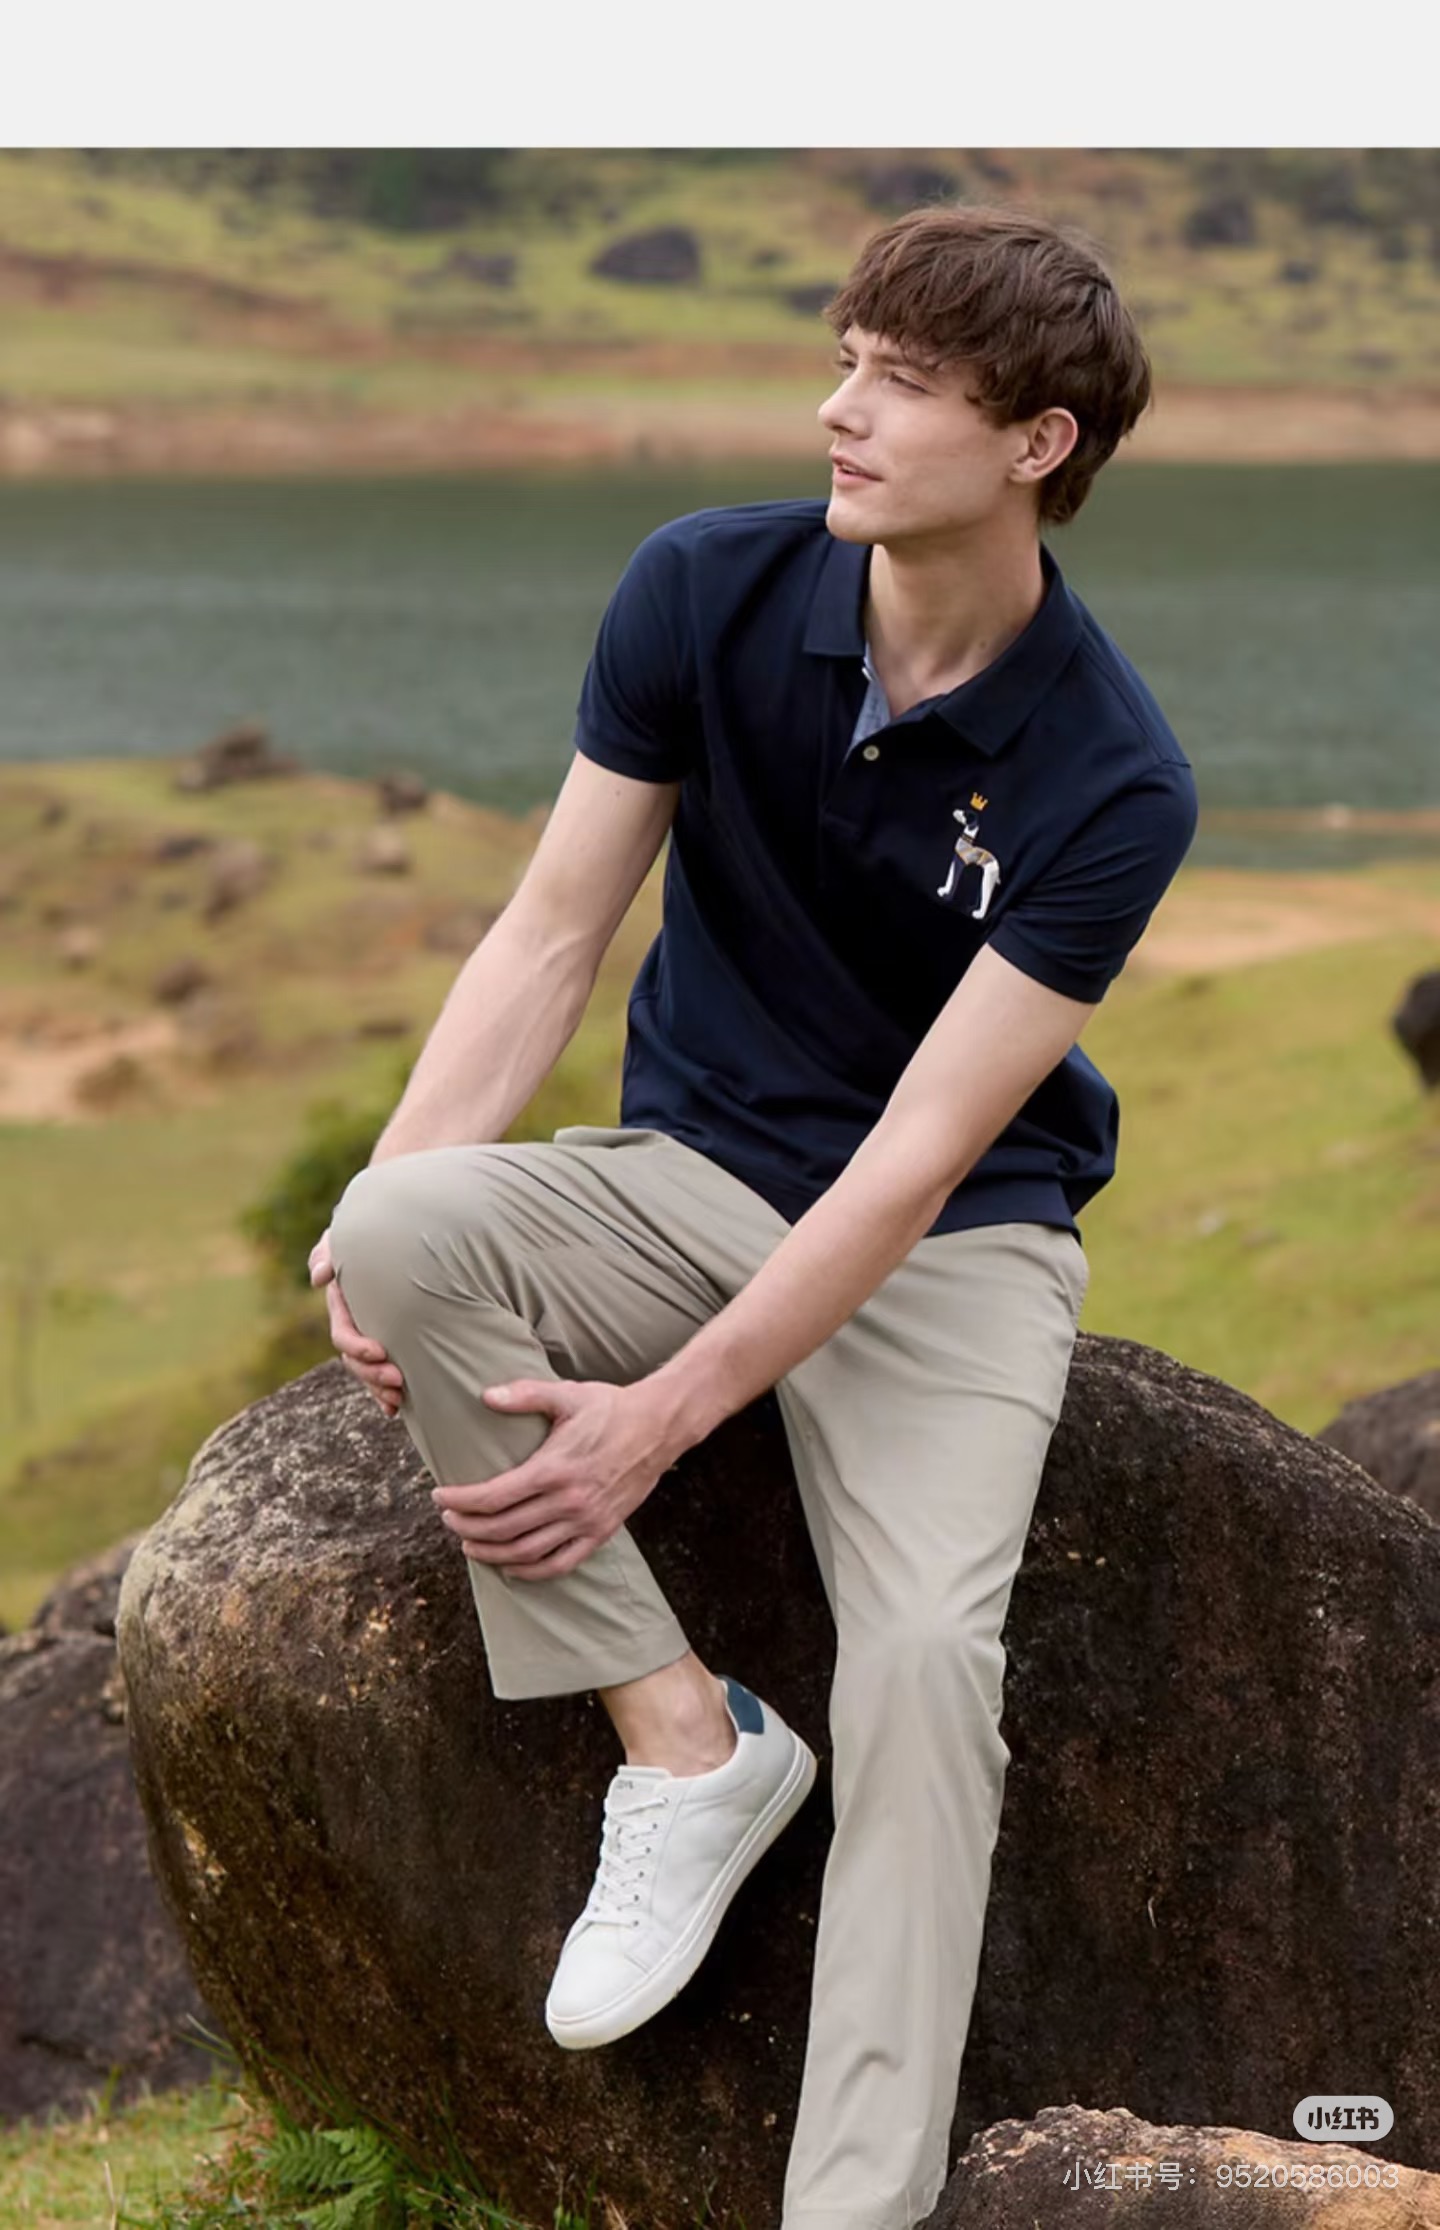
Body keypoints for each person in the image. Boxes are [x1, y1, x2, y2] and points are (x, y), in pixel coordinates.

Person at [312, 202, 1199, 2230]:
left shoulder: (1114, 776)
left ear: (1038, 442)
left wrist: (666, 1413)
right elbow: (551, 934)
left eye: (902, 382)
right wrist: (384, 1194)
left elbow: (917, 1158)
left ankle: (850, 2207)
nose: (839, 412)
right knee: (408, 1224)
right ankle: (688, 1743)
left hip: (954, 1248)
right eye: (844, 359)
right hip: (686, 1174)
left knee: (927, 1673)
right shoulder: (701, 586)